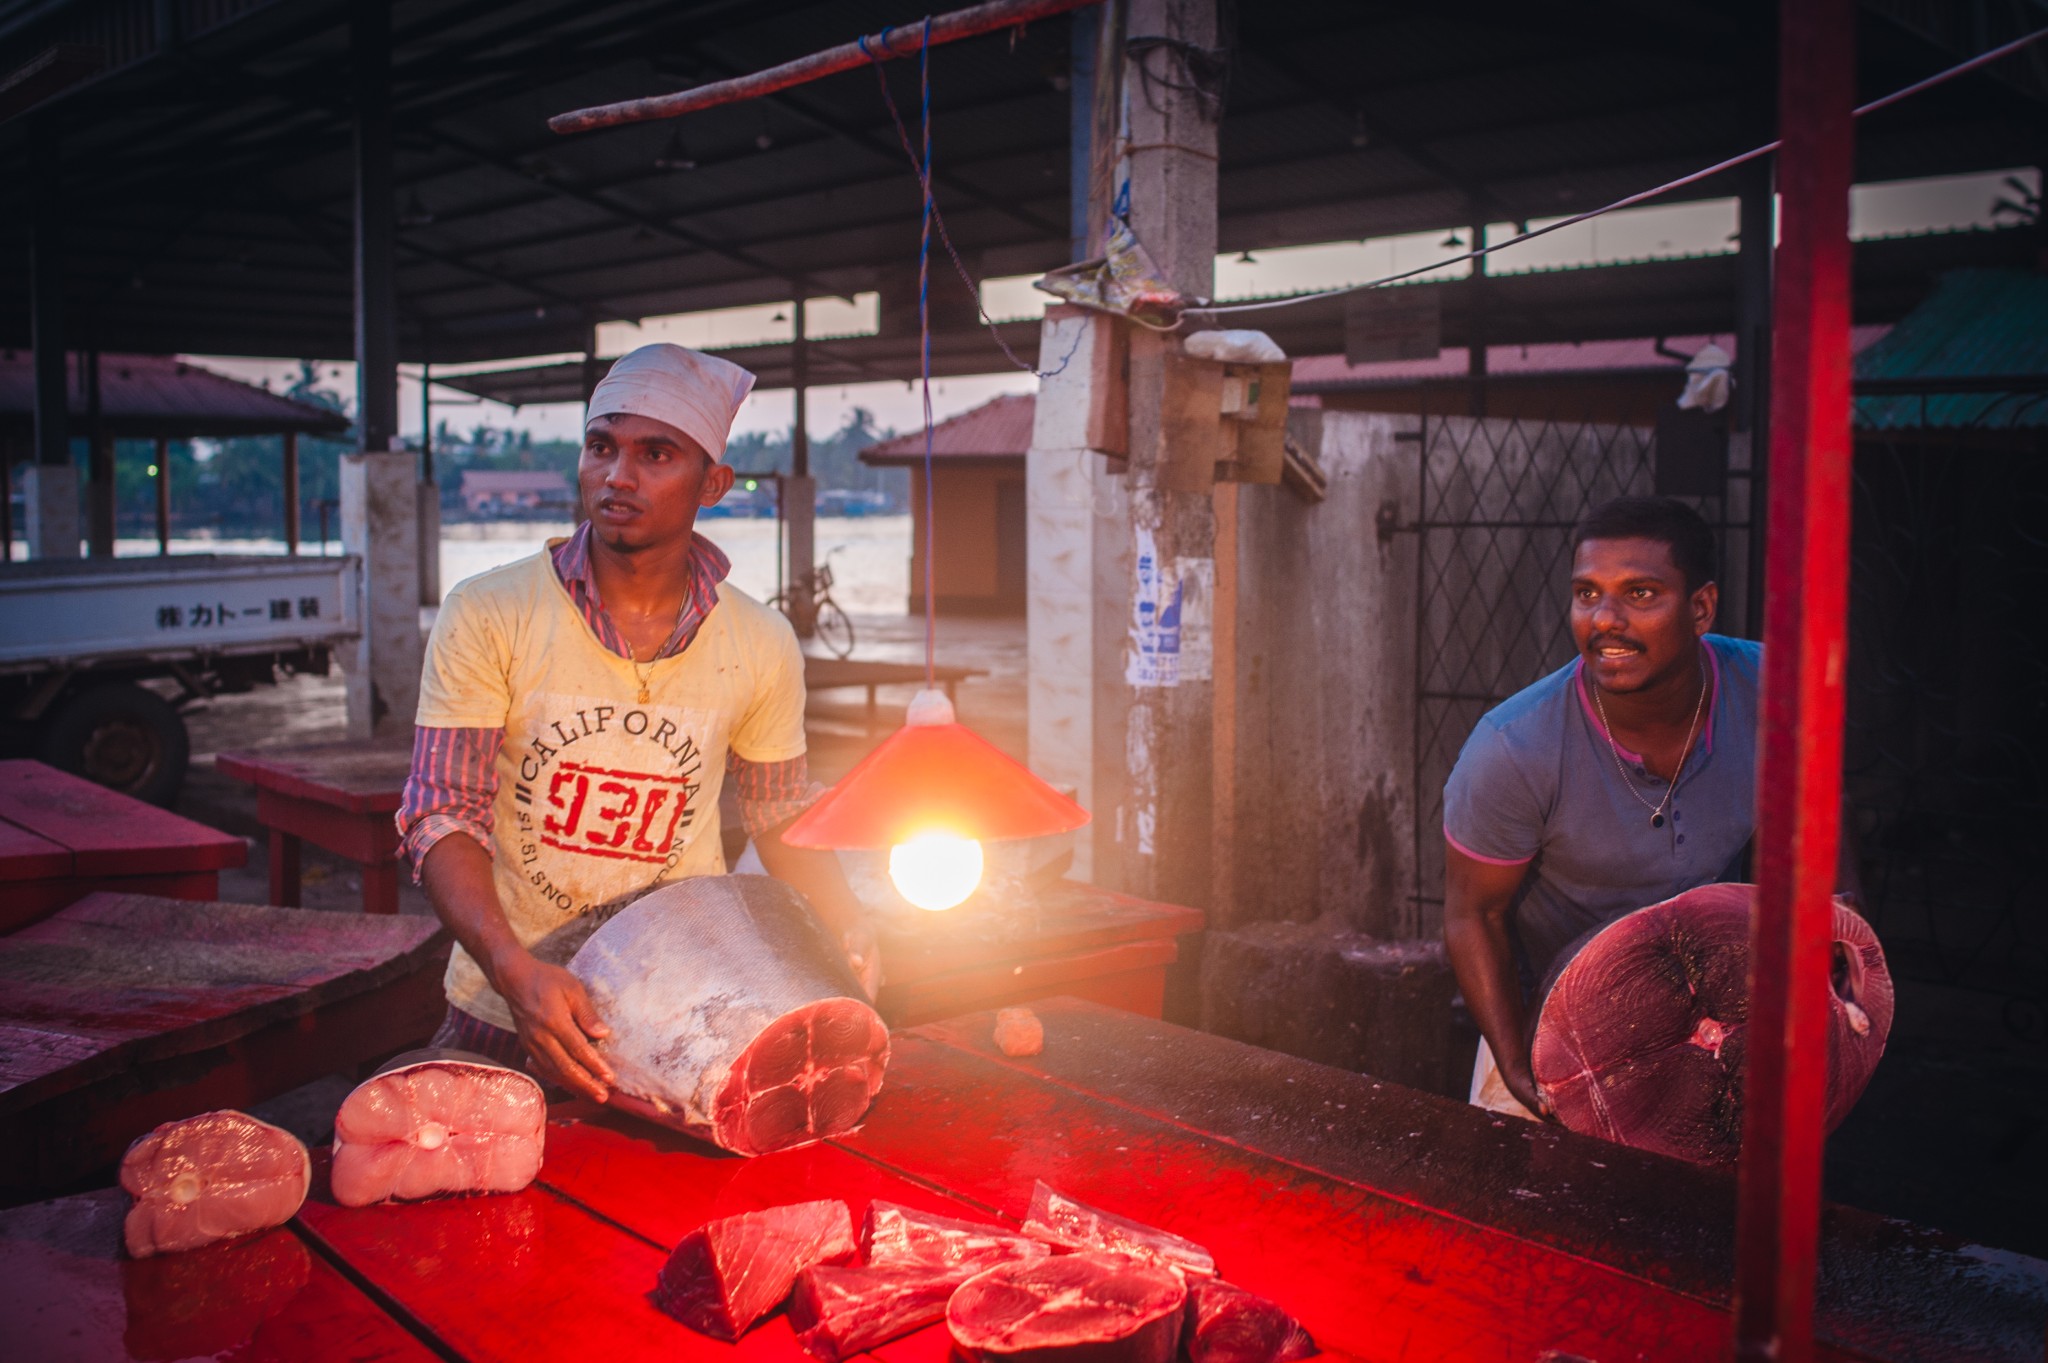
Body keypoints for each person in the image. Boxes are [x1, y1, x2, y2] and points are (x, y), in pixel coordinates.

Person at [395, 342, 875, 1105]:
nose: (618, 476)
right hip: (506, 1003)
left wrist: (851, 931)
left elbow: (781, 815)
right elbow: (439, 812)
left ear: (713, 482)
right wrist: (512, 968)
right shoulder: (489, 612)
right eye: (601, 447)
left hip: (684, 1011)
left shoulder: (759, 641)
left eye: (656, 454)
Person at [1441, 496, 1761, 1121]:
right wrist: (1515, 1067)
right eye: (1588, 594)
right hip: (1555, 1028)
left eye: (1640, 594)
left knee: (1698, 1212)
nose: (1604, 619)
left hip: (1711, 1023)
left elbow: (1825, 807)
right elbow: (1473, 912)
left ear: (1701, 608)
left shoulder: (1770, 693)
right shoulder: (1515, 747)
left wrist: (1844, 918)